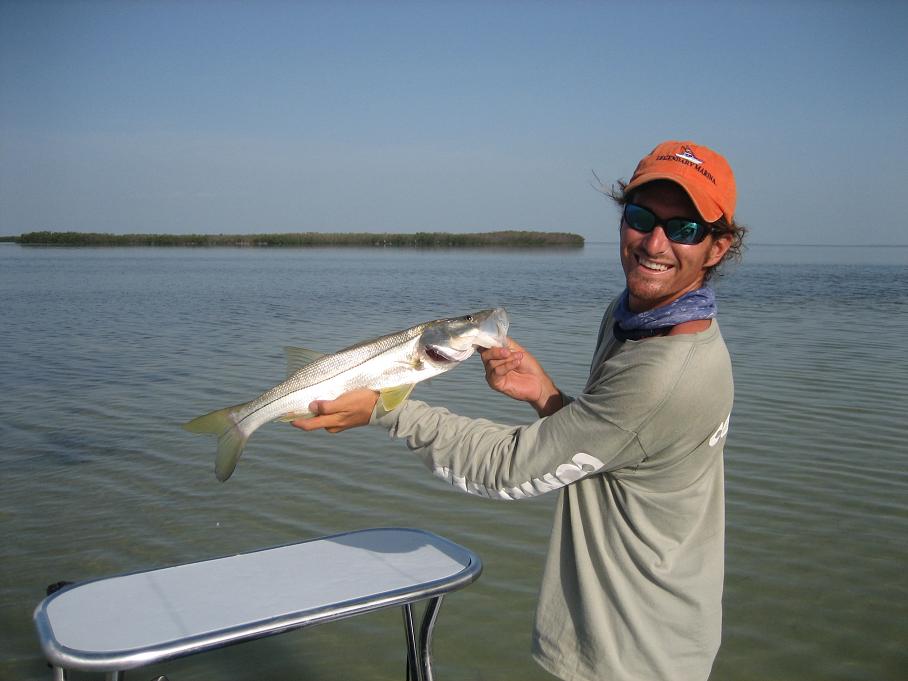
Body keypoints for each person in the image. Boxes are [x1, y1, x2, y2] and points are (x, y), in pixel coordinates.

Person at [293, 140, 747, 681]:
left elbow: (512, 470)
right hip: (642, 630)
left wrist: (386, 410)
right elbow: (616, 446)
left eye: (685, 229)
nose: (654, 242)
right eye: (640, 216)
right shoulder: (635, 318)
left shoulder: (670, 372)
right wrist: (546, 397)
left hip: (634, 651)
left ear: (718, 248)